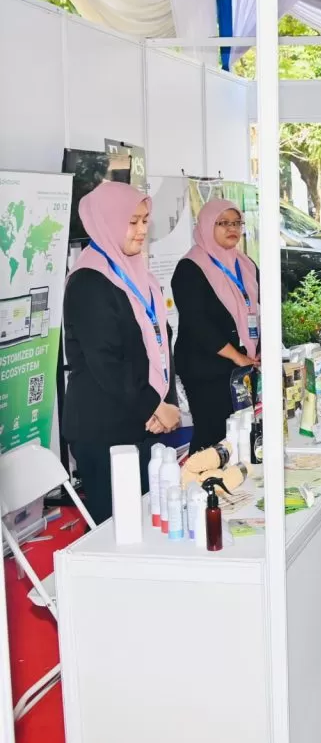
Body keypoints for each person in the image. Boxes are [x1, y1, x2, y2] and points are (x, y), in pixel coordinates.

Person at [63, 181, 180, 525]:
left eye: (145, 220)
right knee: (117, 530)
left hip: (143, 421)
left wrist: (164, 402)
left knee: (148, 522)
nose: (142, 230)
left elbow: (160, 345)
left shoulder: (138, 273)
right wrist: (156, 405)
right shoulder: (89, 280)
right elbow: (107, 363)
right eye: (133, 221)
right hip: (104, 429)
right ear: (107, 222)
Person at [172, 199, 260, 453]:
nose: (231, 228)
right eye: (223, 223)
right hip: (207, 368)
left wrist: (260, 348)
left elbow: (261, 309)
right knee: (214, 436)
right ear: (207, 225)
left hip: (243, 366)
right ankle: (200, 487)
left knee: (241, 434)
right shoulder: (190, 267)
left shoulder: (246, 264)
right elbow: (198, 324)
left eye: (236, 223)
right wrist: (237, 356)